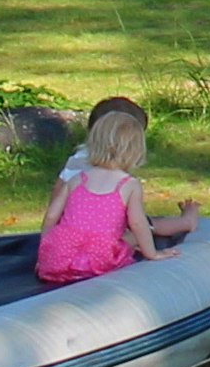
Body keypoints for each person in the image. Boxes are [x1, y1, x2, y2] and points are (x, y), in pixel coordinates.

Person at [37, 97, 200, 283]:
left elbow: (51, 216)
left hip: (61, 257)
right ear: (136, 151)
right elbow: (138, 224)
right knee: (144, 228)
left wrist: (45, 252)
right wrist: (153, 254)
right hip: (99, 259)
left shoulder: (76, 179)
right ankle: (188, 221)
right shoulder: (128, 184)